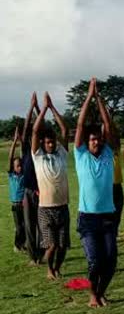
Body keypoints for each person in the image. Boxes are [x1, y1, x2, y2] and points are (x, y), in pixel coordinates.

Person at [74, 78, 117, 307]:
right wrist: (89, 97)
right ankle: (93, 295)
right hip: (88, 218)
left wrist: (100, 99)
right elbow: (80, 127)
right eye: (92, 140)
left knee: (110, 262)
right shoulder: (81, 156)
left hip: (108, 216)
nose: (96, 142)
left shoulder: (108, 154)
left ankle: (100, 292)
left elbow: (107, 126)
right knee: (95, 261)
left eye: (98, 139)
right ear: (87, 142)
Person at [31, 92, 70, 280]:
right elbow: (35, 131)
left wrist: (52, 107)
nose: (51, 144)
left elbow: (64, 130)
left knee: (63, 246)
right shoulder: (37, 156)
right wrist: (43, 109)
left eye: (52, 141)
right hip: (45, 209)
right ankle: (49, 270)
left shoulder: (62, 153)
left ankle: (57, 268)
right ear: (43, 144)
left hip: (63, 207)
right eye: (48, 142)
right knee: (52, 244)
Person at [20, 93, 42, 264]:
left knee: (41, 225)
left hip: (42, 191)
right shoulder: (25, 147)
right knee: (29, 225)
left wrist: (39, 109)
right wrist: (31, 108)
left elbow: (42, 125)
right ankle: (33, 257)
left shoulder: (40, 149)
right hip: (27, 192)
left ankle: (41, 254)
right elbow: (27, 128)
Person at [8, 126, 26, 252]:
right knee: (19, 227)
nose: (19, 167)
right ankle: (17, 245)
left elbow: (23, 155)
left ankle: (22, 245)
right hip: (15, 206)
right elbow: (10, 158)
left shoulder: (24, 174)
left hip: (24, 204)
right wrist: (14, 141)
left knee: (25, 227)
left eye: (20, 165)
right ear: (14, 167)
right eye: (17, 166)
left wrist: (21, 141)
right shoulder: (11, 175)